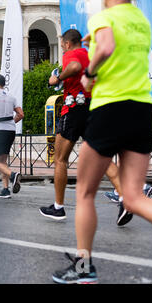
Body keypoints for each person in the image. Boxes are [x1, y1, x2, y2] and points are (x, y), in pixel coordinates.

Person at [53, 0, 152, 284]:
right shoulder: (141, 20)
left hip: (110, 108)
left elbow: (108, 46)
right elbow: (119, 44)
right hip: (141, 110)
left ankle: (84, 268)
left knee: (85, 192)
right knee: (135, 197)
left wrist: (89, 74)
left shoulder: (105, 17)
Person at [39, 29, 91, 219]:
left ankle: (58, 207)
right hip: (90, 106)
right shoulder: (88, 54)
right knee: (100, 155)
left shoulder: (71, 54)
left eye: (62, 46)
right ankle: (125, 194)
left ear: (67, 43)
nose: (62, 49)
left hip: (73, 109)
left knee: (60, 160)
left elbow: (74, 67)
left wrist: (57, 78)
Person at [0, 74, 23, 199]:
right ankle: (5, 190)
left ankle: (13, 175)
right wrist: (11, 122)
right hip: (10, 130)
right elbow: (20, 114)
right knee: (2, 161)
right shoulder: (11, 96)